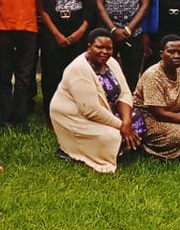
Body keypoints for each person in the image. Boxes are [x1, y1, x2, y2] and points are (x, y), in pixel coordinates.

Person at [50, 28, 139, 173]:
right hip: (77, 118)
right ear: (89, 47)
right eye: (99, 47)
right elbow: (91, 111)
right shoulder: (78, 69)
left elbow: (125, 94)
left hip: (106, 111)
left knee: (138, 118)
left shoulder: (112, 63)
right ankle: (69, 150)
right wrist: (122, 126)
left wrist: (127, 122)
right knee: (113, 136)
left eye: (109, 48)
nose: (104, 52)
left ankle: (123, 146)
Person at [37, 0, 96, 120]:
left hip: (78, 27)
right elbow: (42, 8)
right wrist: (56, 34)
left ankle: (75, 112)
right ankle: (52, 115)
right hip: (53, 29)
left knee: (77, 74)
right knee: (52, 73)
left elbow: (89, 8)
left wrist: (80, 32)